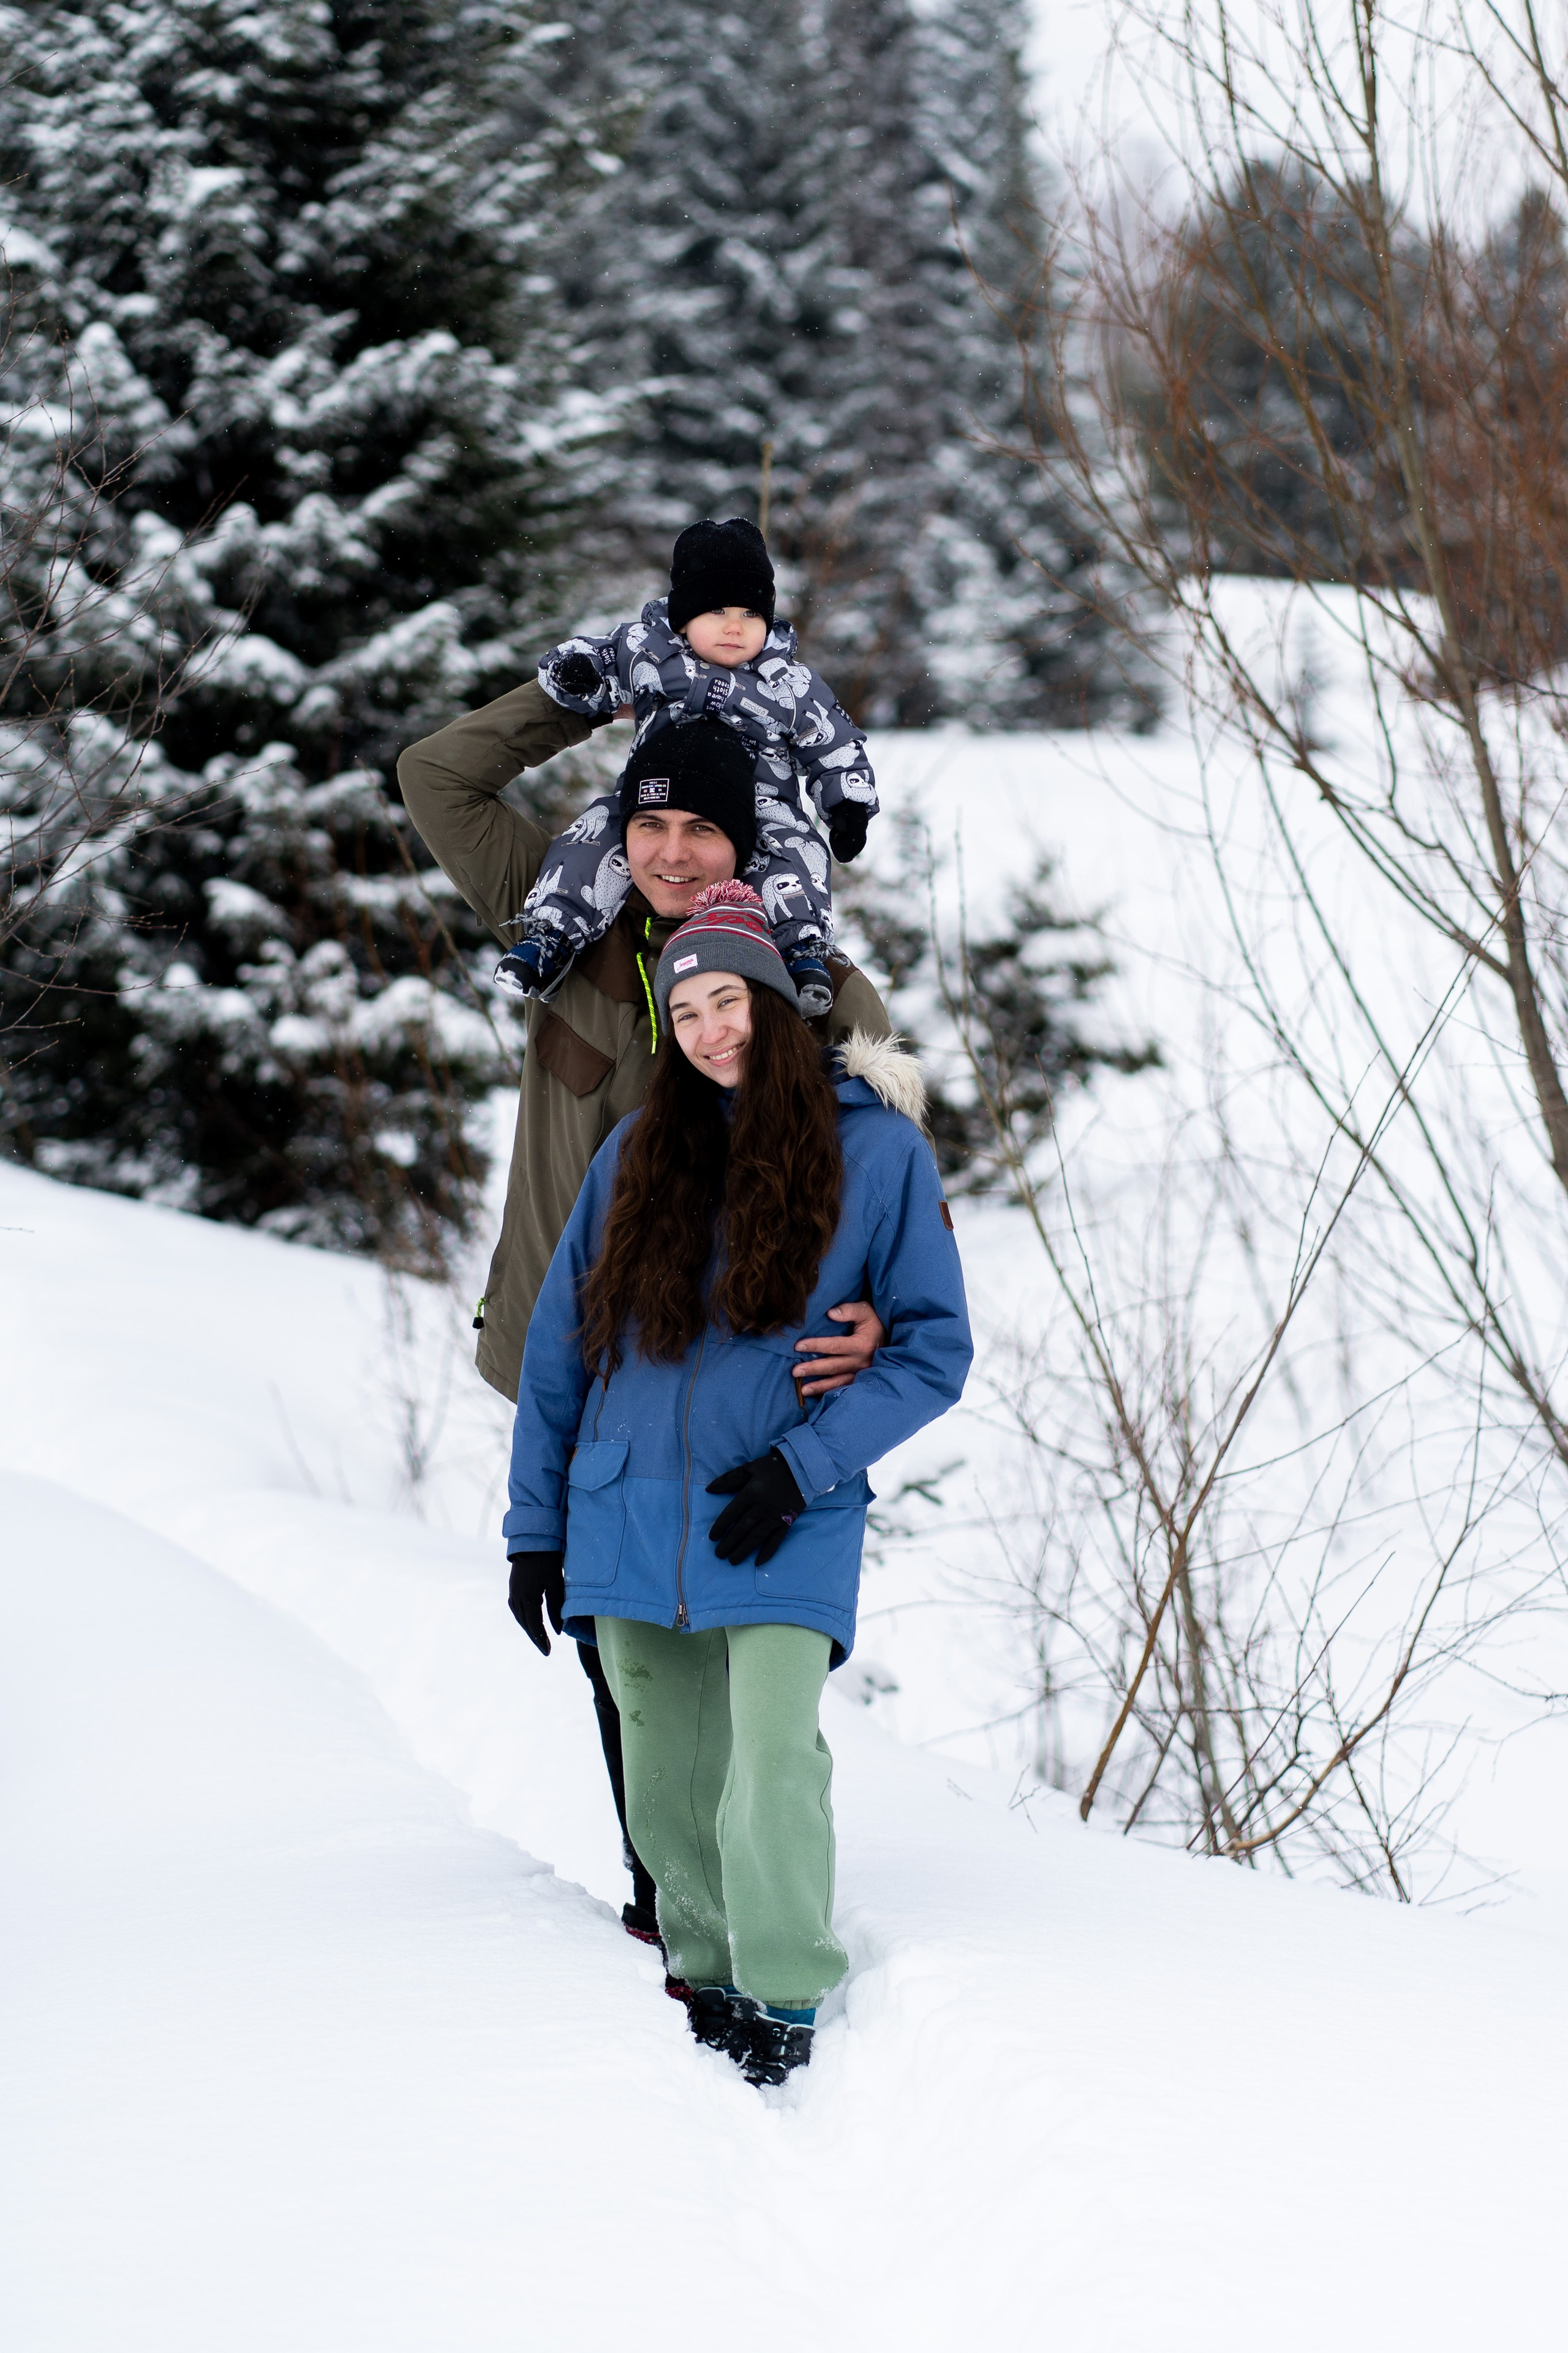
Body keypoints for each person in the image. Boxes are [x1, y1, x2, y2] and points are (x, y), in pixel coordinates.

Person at [395, 689, 896, 1939]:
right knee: (609, 1644)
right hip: (575, 1367)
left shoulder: (816, 988)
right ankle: (666, 1883)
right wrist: (596, 687)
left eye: (701, 830)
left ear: (751, 841)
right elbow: (436, 775)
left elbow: (884, 1183)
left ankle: (733, 1890)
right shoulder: (557, 920)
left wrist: (879, 1316)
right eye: (647, 821)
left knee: (729, 1637)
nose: (670, 851)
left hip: (739, 1388)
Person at [504, 883, 972, 2086]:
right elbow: (559, 1349)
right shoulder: (632, 1153)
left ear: (775, 1004)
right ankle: (704, 1970)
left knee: (769, 1758)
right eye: (687, 1008)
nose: (712, 1028)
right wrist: (533, 1531)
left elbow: (931, 1348)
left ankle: (784, 1983)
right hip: (622, 1506)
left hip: (780, 1509)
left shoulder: (874, 1148)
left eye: (731, 1000)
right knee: (659, 1772)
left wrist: (805, 1462)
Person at [494, 517, 877, 1018]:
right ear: (683, 615)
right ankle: (551, 934)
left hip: (761, 804)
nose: (735, 625)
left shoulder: (788, 681)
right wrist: (578, 672)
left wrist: (847, 802)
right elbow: (601, 660)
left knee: (795, 853)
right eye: (717, 609)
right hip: (654, 793)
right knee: (595, 837)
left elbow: (833, 742)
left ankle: (802, 950)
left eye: (749, 612)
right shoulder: (649, 652)